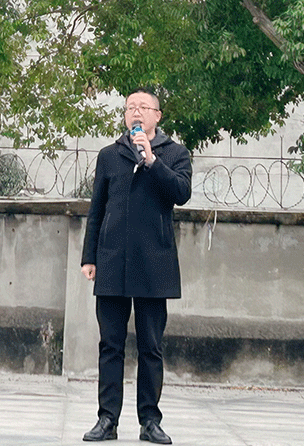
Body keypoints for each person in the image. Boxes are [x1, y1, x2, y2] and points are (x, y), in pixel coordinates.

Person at [81, 88, 192, 444]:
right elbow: (97, 209)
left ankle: (150, 421)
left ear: (158, 115)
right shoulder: (109, 155)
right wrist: (89, 256)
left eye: (143, 107)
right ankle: (107, 420)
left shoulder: (175, 154)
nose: (136, 112)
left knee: (150, 347)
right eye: (131, 107)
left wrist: (152, 161)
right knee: (110, 346)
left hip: (154, 262)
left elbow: (181, 193)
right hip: (112, 260)